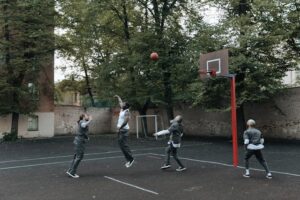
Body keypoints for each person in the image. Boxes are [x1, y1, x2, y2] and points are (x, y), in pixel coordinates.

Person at [66, 114, 92, 178]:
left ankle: (70, 170)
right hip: (79, 141)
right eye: (86, 116)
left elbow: (83, 130)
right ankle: (72, 172)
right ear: (83, 117)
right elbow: (84, 125)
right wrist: (90, 120)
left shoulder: (83, 122)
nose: (88, 117)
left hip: (79, 141)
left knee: (76, 156)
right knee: (79, 157)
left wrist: (86, 137)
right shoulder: (82, 122)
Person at [114, 95, 134, 168]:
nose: (122, 104)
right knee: (121, 145)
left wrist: (119, 128)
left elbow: (126, 121)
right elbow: (120, 102)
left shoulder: (127, 112)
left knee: (124, 145)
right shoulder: (122, 109)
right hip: (120, 130)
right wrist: (118, 97)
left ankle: (131, 159)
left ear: (126, 106)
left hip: (124, 130)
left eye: (123, 104)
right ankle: (128, 159)